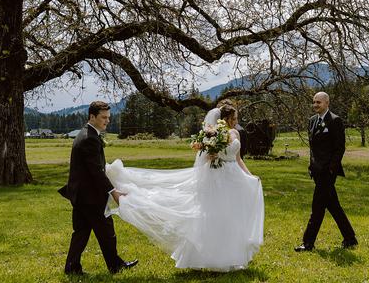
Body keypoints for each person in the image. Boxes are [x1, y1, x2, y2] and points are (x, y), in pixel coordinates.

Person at [105, 103, 264, 271]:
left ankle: (234, 255)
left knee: (232, 216)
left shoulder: (236, 133)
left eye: (236, 118)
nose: (235, 121)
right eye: (232, 118)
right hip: (219, 178)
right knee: (216, 215)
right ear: (224, 119)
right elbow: (207, 156)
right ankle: (213, 258)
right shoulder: (215, 134)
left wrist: (250, 175)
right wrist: (212, 154)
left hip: (235, 179)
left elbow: (238, 159)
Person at [59, 101, 138, 275]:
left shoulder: (86, 134)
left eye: (108, 117)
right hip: (90, 196)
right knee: (106, 231)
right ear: (92, 116)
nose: (107, 121)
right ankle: (115, 266)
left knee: (81, 232)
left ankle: (72, 267)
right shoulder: (89, 139)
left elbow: (93, 167)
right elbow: (96, 172)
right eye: (103, 117)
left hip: (81, 194)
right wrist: (114, 192)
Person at [295, 92, 357, 251]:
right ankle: (350, 238)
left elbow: (339, 147)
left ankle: (308, 242)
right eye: (314, 102)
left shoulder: (335, 121)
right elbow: (312, 149)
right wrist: (311, 166)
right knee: (333, 205)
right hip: (316, 171)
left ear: (327, 103)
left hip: (328, 173)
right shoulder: (311, 121)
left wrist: (331, 169)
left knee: (317, 207)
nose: (315, 105)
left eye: (319, 102)